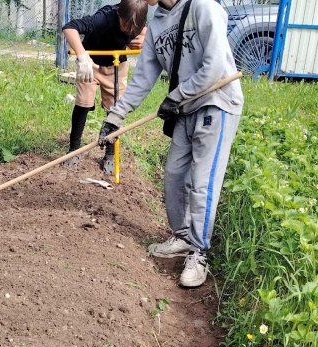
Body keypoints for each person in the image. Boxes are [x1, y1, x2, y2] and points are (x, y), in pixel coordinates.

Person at [97, 0, 244, 287]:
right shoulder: (158, 22)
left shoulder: (204, 7)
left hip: (217, 103)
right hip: (185, 109)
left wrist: (178, 95)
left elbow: (214, 66)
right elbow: (142, 78)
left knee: (202, 182)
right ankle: (183, 237)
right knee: (175, 176)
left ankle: (199, 252)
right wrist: (115, 117)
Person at [60, 0, 148, 172]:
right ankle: (74, 149)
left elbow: (145, 33)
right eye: (125, 26)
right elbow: (70, 27)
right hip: (90, 64)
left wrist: (143, 39)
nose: (128, 31)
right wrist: (82, 56)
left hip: (116, 65)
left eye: (133, 29)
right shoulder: (105, 17)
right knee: (83, 103)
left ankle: (110, 153)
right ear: (118, 14)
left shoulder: (137, 22)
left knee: (115, 109)